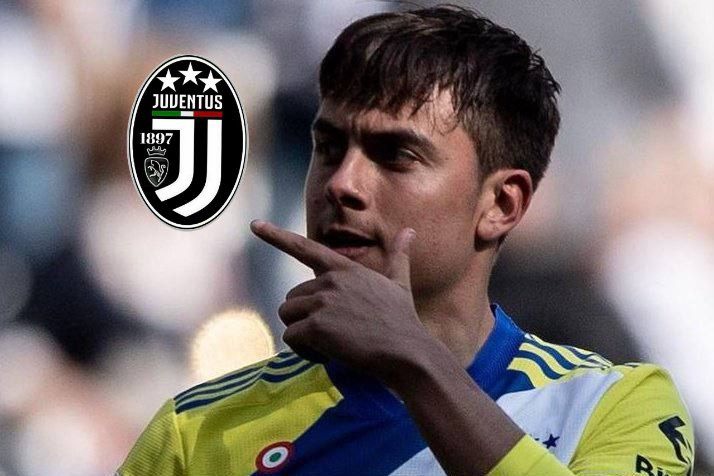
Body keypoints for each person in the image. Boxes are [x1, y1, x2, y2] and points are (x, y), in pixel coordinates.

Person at [118, 6, 695, 475]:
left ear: (501, 204)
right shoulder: (196, 432)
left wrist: (415, 361)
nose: (342, 183)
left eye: (395, 155)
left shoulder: (613, 403)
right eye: (329, 148)